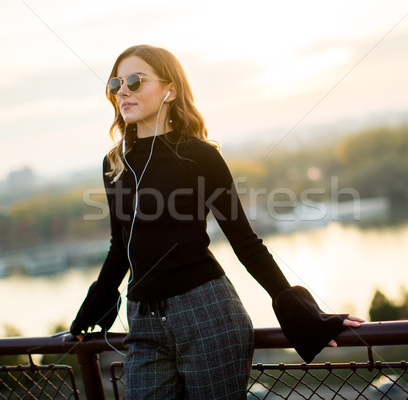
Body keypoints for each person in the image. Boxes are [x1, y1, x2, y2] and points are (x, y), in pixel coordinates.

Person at [70, 44, 363, 399]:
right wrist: (94, 306)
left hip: (207, 316)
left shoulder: (200, 156)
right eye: (116, 83)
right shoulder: (115, 162)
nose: (123, 90)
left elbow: (245, 242)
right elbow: (122, 246)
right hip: (142, 321)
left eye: (135, 80)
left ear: (170, 89)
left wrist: (298, 309)